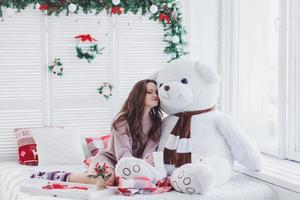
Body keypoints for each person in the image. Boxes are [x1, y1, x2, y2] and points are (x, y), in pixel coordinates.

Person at [31, 79, 162, 186]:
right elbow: (123, 154)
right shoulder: (122, 121)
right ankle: (59, 175)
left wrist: (146, 168)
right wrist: (132, 170)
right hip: (110, 159)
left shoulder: (156, 122)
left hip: (133, 164)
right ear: (139, 96)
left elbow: (149, 153)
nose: (155, 95)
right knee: (105, 180)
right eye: (149, 92)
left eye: (156, 92)